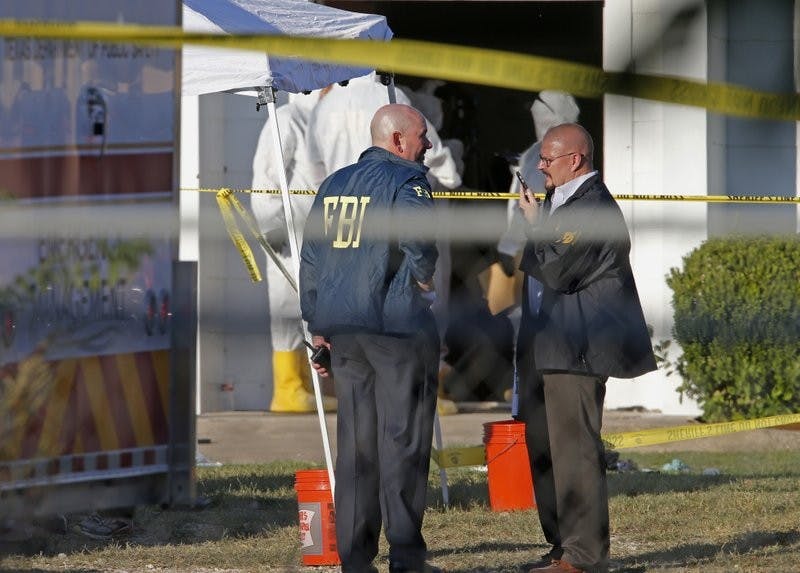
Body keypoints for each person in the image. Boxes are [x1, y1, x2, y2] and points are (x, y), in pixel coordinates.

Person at [299, 104, 441, 573]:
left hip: (345, 334)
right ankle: (405, 557)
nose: (429, 145)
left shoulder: (334, 184)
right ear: (398, 140)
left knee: (356, 449)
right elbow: (421, 238)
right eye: (422, 136)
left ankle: (355, 560)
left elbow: (312, 260)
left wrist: (317, 324)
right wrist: (424, 279)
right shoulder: (407, 181)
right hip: (395, 329)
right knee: (403, 441)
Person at [515, 123, 656, 573]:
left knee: (576, 451)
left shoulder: (593, 205)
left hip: (578, 345)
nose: (539, 167)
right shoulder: (568, 203)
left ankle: (583, 556)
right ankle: (566, 547)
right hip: (553, 343)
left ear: (575, 160)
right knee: (554, 448)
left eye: (548, 159)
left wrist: (536, 228)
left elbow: (557, 271)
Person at [305, 72, 462, 416]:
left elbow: (313, 170)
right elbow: (438, 161)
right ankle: (437, 380)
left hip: (342, 229)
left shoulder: (324, 106)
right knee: (400, 413)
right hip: (391, 231)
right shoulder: (394, 100)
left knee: (357, 415)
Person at [250, 88, 336, 413]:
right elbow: (266, 179)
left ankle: (304, 383)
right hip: (289, 236)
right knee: (287, 305)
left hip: (317, 234)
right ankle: (286, 387)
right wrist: (270, 226)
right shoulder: (286, 119)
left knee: (310, 308)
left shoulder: (318, 119)